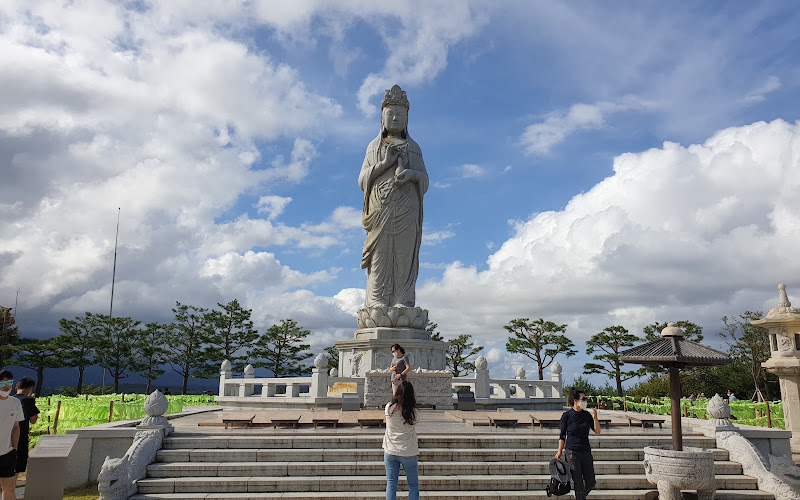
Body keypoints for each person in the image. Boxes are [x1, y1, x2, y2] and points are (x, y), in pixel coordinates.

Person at [359, 84, 429, 309]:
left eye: (401, 113)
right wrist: (384, 164)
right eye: (391, 113)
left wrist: (411, 175)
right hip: (381, 210)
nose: (396, 118)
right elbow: (362, 181)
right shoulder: (374, 146)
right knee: (380, 254)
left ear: (407, 118)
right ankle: (377, 300)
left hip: (407, 210)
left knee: (403, 255)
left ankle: (402, 300)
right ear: (382, 117)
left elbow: (425, 181)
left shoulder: (413, 147)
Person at [556, 388, 601, 500]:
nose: (585, 401)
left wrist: (595, 418)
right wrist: (559, 451)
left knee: (591, 481)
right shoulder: (567, 415)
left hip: (585, 451)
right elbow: (562, 435)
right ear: (576, 401)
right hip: (572, 452)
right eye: (583, 399)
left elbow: (597, 431)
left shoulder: (587, 415)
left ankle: (580, 497)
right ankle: (580, 497)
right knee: (578, 482)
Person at [383, 381, 419, 500]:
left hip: (390, 450)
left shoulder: (388, 408)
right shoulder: (414, 412)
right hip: (408, 451)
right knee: (413, 485)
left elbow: (395, 402)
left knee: (391, 485)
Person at [0, 370, 23, 500]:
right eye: (2, 383)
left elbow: (16, 427)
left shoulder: (15, 403)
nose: (6, 386)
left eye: (9, 382)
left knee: (9, 488)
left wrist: (14, 448)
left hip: (7, 452)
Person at [11, 378, 38, 476]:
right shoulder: (29, 400)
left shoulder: (8, 400)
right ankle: (10, 489)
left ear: (16, 388)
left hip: (5, 437)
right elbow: (33, 419)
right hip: (20, 437)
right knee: (16, 467)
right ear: (30, 389)